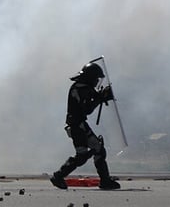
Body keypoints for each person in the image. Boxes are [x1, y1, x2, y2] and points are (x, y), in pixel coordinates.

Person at [50, 62, 120, 191]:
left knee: (98, 150)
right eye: (95, 79)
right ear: (90, 78)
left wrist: (101, 96)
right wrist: (100, 98)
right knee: (83, 155)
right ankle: (58, 176)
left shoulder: (82, 87)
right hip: (77, 126)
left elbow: (93, 98)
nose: (96, 82)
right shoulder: (80, 89)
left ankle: (105, 181)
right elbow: (87, 109)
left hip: (79, 124)